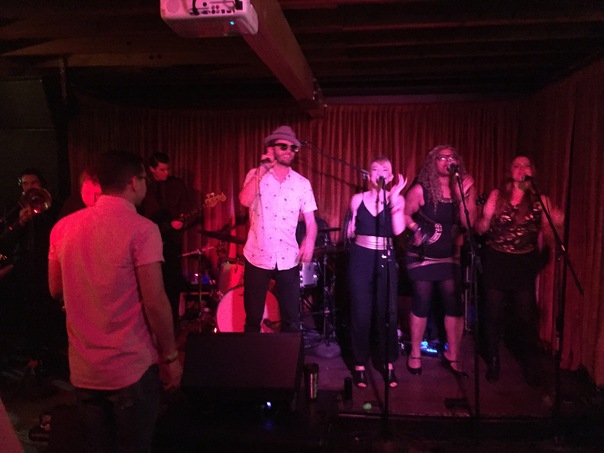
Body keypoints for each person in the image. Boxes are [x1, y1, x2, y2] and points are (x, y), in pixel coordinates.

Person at [48, 151, 182, 452]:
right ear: (134, 182)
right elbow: (155, 302)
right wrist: (171, 357)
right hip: (130, 368)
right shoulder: (142, 229)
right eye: (144, 180)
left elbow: (55, 290)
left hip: (84, 369)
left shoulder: (62, 228)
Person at [476, 154, 563, 385]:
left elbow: (549, 233)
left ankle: (529, 363)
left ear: (532, 171)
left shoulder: (540, 200)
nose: (521, 169)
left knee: (525, 316)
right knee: (493, 312)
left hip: (523, 263)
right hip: (497, 260)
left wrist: (557, 224)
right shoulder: (497, 195)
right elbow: (482, 226)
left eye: (526, 166)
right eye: (516, 166)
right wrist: (480, 221)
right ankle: (493, 359)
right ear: (510, 171)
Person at [404, 145, 476, 376]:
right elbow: (404, 213)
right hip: (423, 255)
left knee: (453, 304)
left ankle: (453, 354)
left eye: (451, 157)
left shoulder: (464, 187)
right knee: (422, 301)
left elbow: (468, 223)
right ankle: (415, 353)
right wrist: (415, 228)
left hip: (449, 256)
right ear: (433, 162)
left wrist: (463, 197)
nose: (447, 161)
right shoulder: (421, 189)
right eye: (442, 157)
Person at [239, 125, 317, 333]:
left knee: (292, 320)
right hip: (257, 254)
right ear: (271, 148)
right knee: (253, 319)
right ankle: (252, 353)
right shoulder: (256, 175)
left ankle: (290, 355)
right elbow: (244, 200)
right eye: (284, 146)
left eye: (293, 148)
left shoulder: (302, 183)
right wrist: (263, 169)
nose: (289, 150)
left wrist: (309, 240)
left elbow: (311, 221)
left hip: (288, 257)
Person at [346, 157, 406, 388]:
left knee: (387, 312)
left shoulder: (396, 198)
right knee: (361, 312)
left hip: (385, 258)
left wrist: (394, 199)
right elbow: (350, 232)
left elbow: (398, 230)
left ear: (390, 177)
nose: (379, 172)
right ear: (368, 175)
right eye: (375, 169)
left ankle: (387, 363)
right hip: (361, 258)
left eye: (385, 170)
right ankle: (359, 365)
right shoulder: (357, 199)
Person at [0, 168, 60, 372]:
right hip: (23, 266)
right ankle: (30, 354)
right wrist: (20, 222)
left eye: (33, 183)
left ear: (41, 185)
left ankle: (47, 354)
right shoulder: (13, 209)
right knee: (26, 310)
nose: (29, 188)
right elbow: (4, 244)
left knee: (47, 309)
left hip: (46, 264)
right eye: (25, 184)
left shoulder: (52, 207)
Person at [141, 152, 191, 324]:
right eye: (162, 169)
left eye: (168, 169)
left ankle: (173, 322)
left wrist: (181, 219)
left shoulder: (177, 185)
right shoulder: (144, 188)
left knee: (172, 283)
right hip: (148, 243)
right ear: (152, 169)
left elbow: (185, 208)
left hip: (171, 243)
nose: (166, 173)